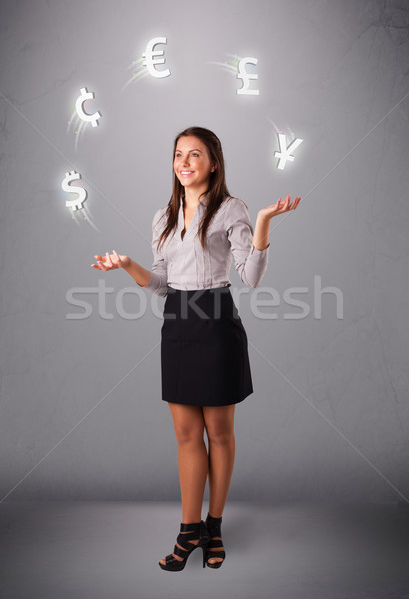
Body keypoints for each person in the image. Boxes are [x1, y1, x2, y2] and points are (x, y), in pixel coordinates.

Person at [91, 126, 301, 571]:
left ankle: (215, 525)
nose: (184, 163)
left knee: (219, 434)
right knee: (186, 435)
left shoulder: (231, 209)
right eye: (178, 155)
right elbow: (162, 286)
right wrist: (128, 265)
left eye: (195, 155)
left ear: (214, 163)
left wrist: (262, 221)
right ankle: (189, 531)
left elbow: (251, 276)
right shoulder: (162, 216)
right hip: (178, 324)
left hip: (217, 319)